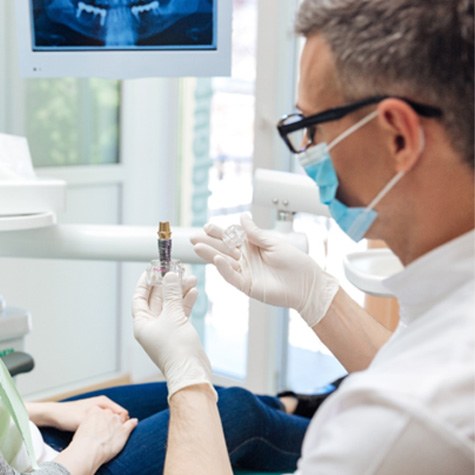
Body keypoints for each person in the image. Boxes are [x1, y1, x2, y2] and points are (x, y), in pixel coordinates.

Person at [131, 0, 474, 473]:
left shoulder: (400, 422)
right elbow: (411, 361)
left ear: (398, 136)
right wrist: (317, 296)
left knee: (239, 410)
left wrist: (187, 378)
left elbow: (414, 398)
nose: (307, 153)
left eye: (310, 128)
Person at [0, 274, 345, 475]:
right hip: (63, 466)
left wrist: (44, 410)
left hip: (29, 438)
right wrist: (90, 446)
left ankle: (293, 403)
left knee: (207, 395)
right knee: (235, 411)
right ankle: (349, 436)